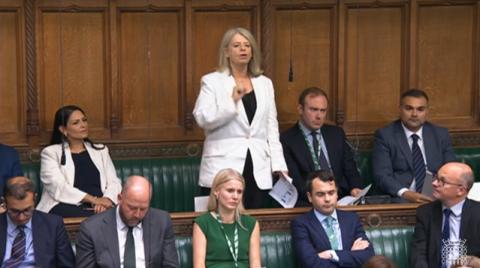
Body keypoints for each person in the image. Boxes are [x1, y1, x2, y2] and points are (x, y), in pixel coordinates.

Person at [193, 27, 288, 209]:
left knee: (254, 222)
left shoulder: (265, 83)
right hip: (223, 166)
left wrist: (279, 164)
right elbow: (202, 118)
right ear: (227, 52)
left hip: (257, 167)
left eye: (247, 46)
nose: (243, 49)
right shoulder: (212, 81)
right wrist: (231, 102)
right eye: (236, 45)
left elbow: (271, 126)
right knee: (220, 224)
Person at [281, 87, 363, 206]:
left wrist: (355, 188)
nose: (319, 116)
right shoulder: (287, 140)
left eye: (323, 111)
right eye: (313, 110)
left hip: (341, 198)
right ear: (300, 109)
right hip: (309, 201)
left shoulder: (336, 134)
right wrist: (323, 198)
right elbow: (296, 182)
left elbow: (350, 169)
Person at [36, 105, 122, 217]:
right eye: (76, 123)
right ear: (63, 130)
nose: (83, 125)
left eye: (84, 120)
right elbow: (58, 186)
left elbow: (114, 182)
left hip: (101, 206)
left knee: (118, 213)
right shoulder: (51, 153)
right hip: (67, 205)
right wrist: (94, 200)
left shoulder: (101, 150)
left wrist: (106, 200)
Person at [372, 89, 456, 203]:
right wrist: (405, 193)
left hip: (435, 193)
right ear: (400, 110)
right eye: (409, 108)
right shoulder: (385, 135)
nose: (414, 114)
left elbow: (451, 169)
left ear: (427, 111)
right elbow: (382, 175)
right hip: (401, 196)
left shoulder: (440, 134)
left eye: (420, 109)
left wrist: (438, 191)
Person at [76, 175, 179, 267]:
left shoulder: (162, 222)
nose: (137, 214)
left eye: (143, 209)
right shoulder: (92, 229)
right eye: (132, 208)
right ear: (120, 199)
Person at [291, 170, 374, 267]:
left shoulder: (351, 219)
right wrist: (350, 255)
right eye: (320, 194)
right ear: (310, 197)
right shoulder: (301, 224)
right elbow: (310, 263)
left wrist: (332, 254)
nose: (327, 199)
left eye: (331, 193)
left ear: (337, 194)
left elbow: (368, 256)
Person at [411, 162, 480, 268]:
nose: (434, 183)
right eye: (436, 178)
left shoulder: (477, 213)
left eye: (442, 181)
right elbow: (419, 255)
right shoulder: (425, 213)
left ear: (461, 190)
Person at [192, 169, 261, 268]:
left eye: (239, 192)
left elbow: (255, 264)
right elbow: (199, 266)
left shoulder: (251, 223)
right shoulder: (202, 223)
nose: (235, 196)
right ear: (216, 192)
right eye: (230, 190)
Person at [0, 176, 75, 267]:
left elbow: (67, 265)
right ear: (4, 202)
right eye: (15, 211)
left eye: (27, 210)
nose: (21, 217)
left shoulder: (53, 225)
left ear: (35, 199)